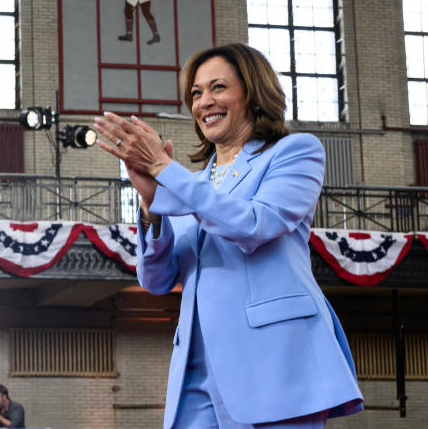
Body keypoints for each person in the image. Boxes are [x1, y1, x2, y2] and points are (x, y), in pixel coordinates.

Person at [92, 43, 363, 428]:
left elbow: (254, 225)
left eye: (218, 87)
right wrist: (152, 206)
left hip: (271, 365)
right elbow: (156, 280)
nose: (204, 102)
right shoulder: (191, 184)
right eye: (196, 93)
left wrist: (164, 169)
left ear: (253, 94)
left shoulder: (295, 153)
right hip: (197, 372)